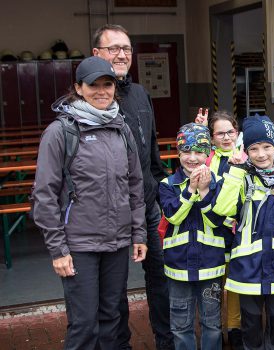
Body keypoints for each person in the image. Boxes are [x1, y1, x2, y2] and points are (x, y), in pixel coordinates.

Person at [32, 56, 147, 349]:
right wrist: (58, 249)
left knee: (113, 320)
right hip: (79, 245)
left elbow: (134, 184)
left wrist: (138, 233)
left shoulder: (121, 128)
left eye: (107, 84)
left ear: (114, 88)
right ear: (78, 88)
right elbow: (44, 194)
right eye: (93, 85)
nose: (101, 91)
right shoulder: (61, 132)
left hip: (118, 243)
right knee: (84, 325)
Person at [91, 24, 173, 349]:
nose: (122, 54)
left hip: (149, 206)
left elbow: (150, 150)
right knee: (113, 289)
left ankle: (167, 342)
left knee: (161, 280)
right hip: (111, 211)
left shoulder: (140, 94)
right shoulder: (92, 101)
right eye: (114, 49)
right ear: (97, 54)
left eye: (126, 48)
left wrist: (163, 193)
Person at [204, 115, 274, 350]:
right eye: (254, 148)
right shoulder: (240, 178)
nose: (261, 154)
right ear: (246, 150)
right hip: (247, 269)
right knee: (250, 326)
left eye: (267, 147)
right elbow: (220, 211)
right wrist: (234, 172)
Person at [159, 123, 224, 349]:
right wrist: (190, 191)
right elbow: (173, 217)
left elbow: (217, 220)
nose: (192, 158)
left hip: (210, 265)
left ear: (208, 154)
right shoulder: (168, 185)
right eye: (186, 151)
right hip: (178, 267)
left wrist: (205, 191)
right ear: (178, 153)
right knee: (180, 324)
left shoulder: (217, 183)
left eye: (199, 152)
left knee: (212, 322)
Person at [195, 108, 244, 349]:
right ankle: (214, 328)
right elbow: (189, 152)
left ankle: (234, 328)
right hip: (212, 230)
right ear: (212, 137)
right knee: (214, 285)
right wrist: (200, 131)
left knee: (234, 284)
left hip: (238, 232)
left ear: (237, 132)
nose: (226, 137)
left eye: (230, 132)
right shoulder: (206, 159)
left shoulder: (246, 156)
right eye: (220, 133)